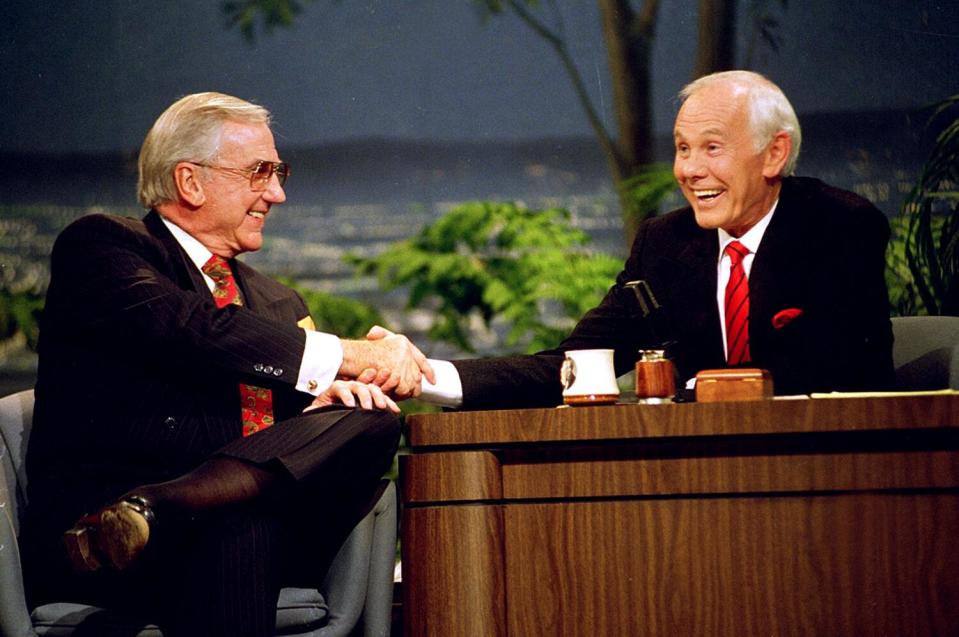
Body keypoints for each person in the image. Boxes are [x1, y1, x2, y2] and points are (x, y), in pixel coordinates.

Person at [20, 92, 434, 637]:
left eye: (279, 173)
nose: (278, 194)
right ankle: (148, 515)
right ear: (190, 181)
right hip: (103, 550)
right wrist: (354, 353)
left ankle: (160, 506)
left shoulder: (279, 303)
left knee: (373, 419)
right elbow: (198, 329)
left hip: (241, 530)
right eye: (261, 173)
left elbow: (282, 446)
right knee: (242, 527)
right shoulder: (105, 248)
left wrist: (316, 411)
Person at [413, 70, 895, 409]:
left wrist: (680, 391)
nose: (689, 170)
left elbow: (828, 373)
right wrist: (428, 377)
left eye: (711, 147)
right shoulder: (665, 244)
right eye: (682, 149)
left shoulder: (840, 227)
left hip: (828, 471)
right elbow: (575, 366)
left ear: (774, 154)